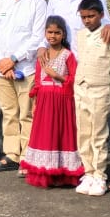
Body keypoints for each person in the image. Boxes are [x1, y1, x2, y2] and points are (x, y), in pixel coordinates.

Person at [0, 0, 46, 172]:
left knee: (27, 114)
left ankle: (28, 157)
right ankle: (12, 154)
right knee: (9, 113)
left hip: (26, 69)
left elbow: (38, 38)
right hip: (1, 70)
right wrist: (2, 61)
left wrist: (13, 59)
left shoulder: (38, 4)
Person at [20, 16, 84, 188]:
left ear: (63, 34)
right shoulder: (42, 55)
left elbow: (74, 79)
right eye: (49, 32)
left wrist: (57, 76)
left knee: (60, 134)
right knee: (45, 134)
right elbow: (38, 82)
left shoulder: (68, 55)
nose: (53, 36)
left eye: (57, 33)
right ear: (45, 33)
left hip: (62, 102)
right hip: (44, 102)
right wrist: (35, 102)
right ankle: (45, 172)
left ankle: (61, 172)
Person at [73, 0, 110, 197]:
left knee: (98, 134)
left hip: (100, 90)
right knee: (83, 133)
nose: (87, 20)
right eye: (84, 17)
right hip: (81, 88)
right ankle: (89, 172)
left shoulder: (109, 34)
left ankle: (100, 174)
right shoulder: (80, 35)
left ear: (101, 15)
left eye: (91, 16)